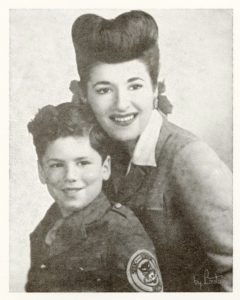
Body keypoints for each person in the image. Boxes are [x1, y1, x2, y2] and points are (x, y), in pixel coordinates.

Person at [70, 10, 233, 292]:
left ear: (156, 89)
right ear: (84, 94)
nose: (122, 104)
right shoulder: (103, 153)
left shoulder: (189, 158)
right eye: (104, 89)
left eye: (135, 86)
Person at [25, 102, 163, 292]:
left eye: (83, 163)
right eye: (57, 165)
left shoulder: (122, 233)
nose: (70, 176)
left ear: (105, 168)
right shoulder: (48, 225)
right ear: (41, 171)